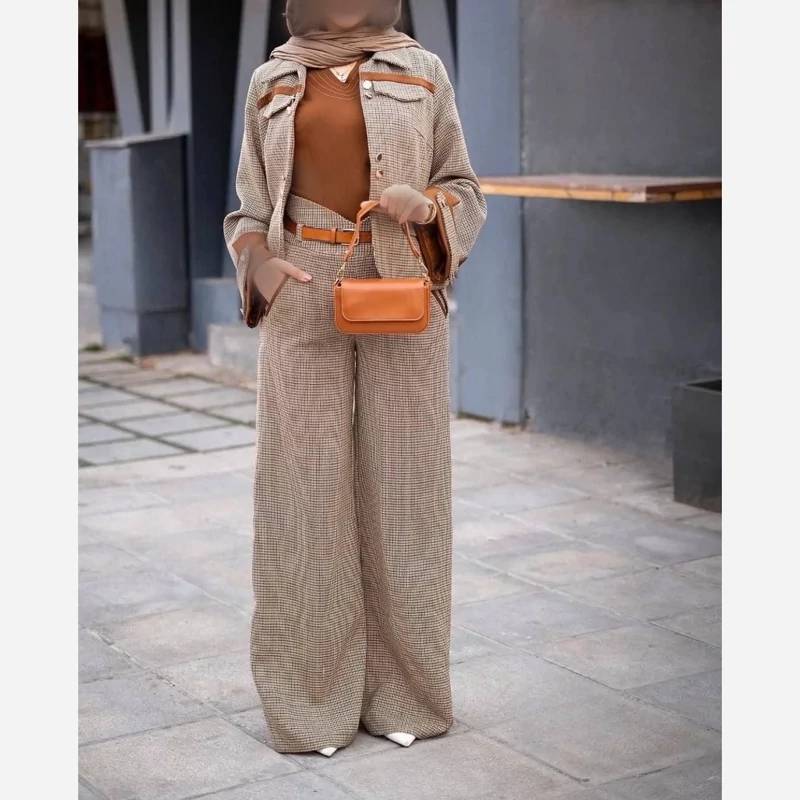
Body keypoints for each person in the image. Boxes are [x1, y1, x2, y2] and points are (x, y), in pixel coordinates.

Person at [223, 0, 486, 757]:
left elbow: (464, 188)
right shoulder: (272, 79)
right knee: (303, 498)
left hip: (401, 280)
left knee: (406, 495)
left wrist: (426, 205)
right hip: (301, 287)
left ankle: (407, 696)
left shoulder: (421, 69)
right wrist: (258, 264)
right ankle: (311, 707)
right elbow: (248, 209)